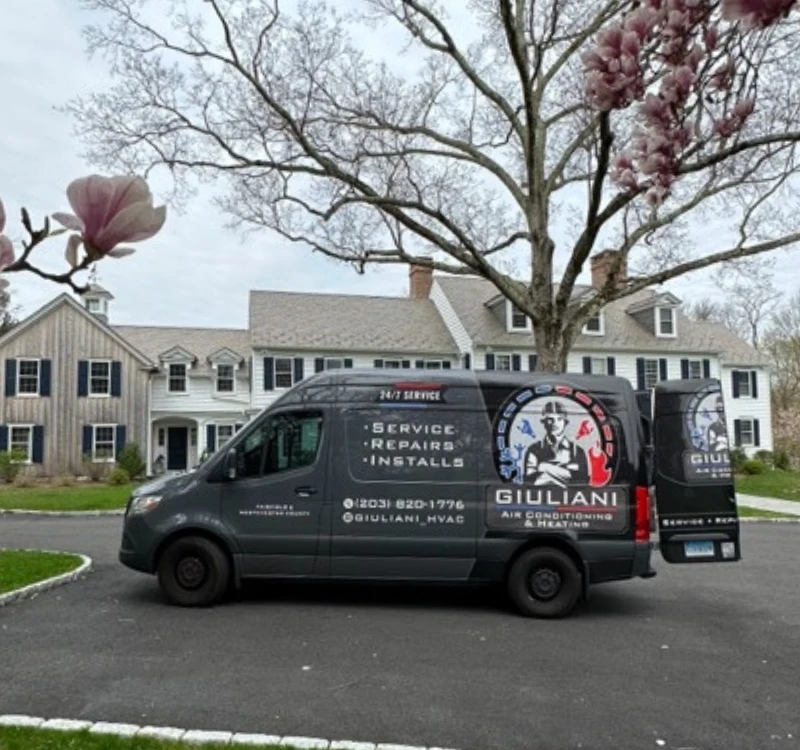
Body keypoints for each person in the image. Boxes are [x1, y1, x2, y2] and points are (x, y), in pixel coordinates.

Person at [524, 401, 589, 487]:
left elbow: (582, 482)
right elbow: (530, 482)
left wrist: (545, 467)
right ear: (544, 423)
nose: (555, 423)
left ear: (565, 423)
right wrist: (566, 473)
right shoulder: (534, 449)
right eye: (550, 419)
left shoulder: (577, 451)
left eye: (559, 419)